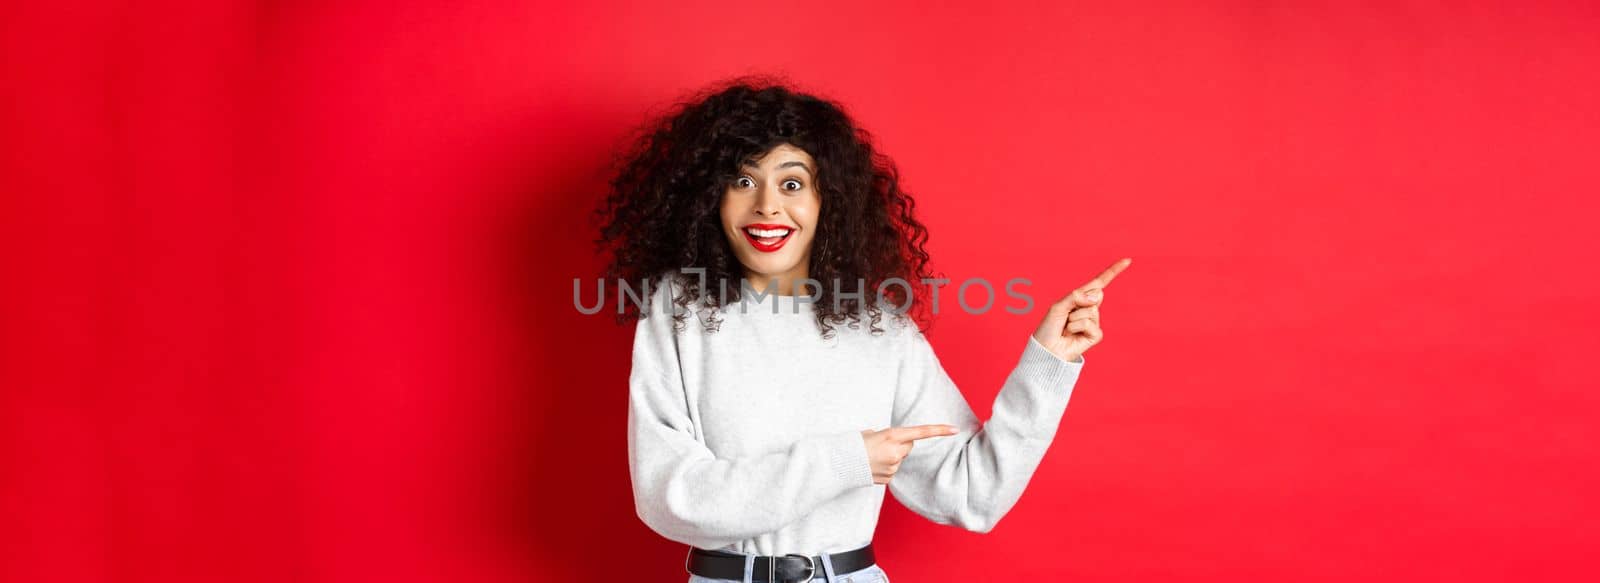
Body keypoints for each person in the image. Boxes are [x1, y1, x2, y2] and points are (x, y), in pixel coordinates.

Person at [594, 76, 1131, 583]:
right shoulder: (678, 311)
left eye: (791, 183)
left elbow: (973, 493)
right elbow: (670, 498)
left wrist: (1048, 363)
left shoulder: (880, 328)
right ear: (710, 197)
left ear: (829, 201)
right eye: (742, 180)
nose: (767, 206)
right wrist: (845, 461)